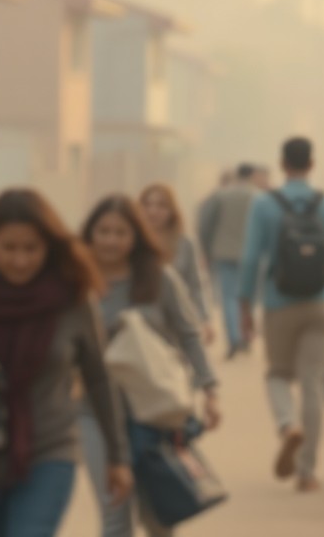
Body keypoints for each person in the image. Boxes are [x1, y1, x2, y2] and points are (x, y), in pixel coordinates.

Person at [0, 189, 132, 537]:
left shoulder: (73, 298)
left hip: (50, 451)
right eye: (9, 248)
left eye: (31, 248)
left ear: (49, 247)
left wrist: (118, 457)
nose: (20, 260)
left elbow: (100, 379)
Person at [80, 194, 220, 537]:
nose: (111, 240)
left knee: (158, 515)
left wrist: (210, 390)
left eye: (121, 232)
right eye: (103, 231)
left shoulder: (159, 277)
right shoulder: (74, 283)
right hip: (93, 411)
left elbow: (189, 334)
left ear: (136, 236)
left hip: (154, 411)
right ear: (89, 234)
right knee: (115, 511)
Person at [238, 137, 324, 493]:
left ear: (282, 163)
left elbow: (250, 259)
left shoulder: (264, 205)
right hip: (319, 305)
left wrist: (244, 304)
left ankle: (288, 425)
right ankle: (307, 473)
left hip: (278, 303)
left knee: (277, 375)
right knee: (312, 386)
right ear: (312, 163)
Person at [140, 183, 215, 345]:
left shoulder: (185, 244)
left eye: (161, 205)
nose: (153, 211)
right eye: (147, 205)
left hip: (176, 324)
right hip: (141, 324)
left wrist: (205, 320)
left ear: (172, 211)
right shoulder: (132, 243)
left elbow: (195, 285)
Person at [198, 164, 260, 359]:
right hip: (250, 253)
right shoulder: (258, 197)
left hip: (223, 253)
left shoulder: (220, 195)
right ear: (252, 176)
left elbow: (204, 224)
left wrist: (206, 251)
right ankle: (246, 336)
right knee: (247, 296)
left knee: (228, 297)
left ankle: (234, 338)